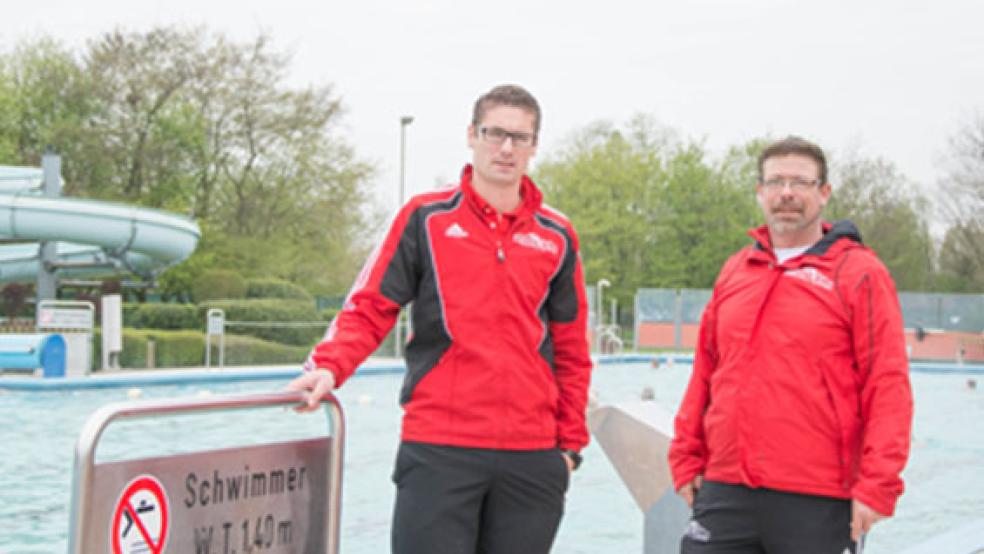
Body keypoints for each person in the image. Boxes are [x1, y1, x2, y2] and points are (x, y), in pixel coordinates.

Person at [288, 84, 592, 554]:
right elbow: (371, 306)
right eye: (495, 133)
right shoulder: (424, 218)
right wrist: (329, 366)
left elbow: (572, 349)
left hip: (532, 459)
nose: (506, 148)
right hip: (440, 447)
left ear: (534, 146)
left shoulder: (556, 235)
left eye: (520, 137)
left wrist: (569, 448)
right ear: (472, 135)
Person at [668, 136, 914, 554]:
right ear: (760, 191)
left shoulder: (858, 272)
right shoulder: (736, 271)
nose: (786, 193)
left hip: (817, 495)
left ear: (824, 193)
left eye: (800, 182)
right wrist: (687, 456)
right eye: (776, 182)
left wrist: (878, 483)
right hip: (726, 487)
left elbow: (887, 383)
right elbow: (707, 373)